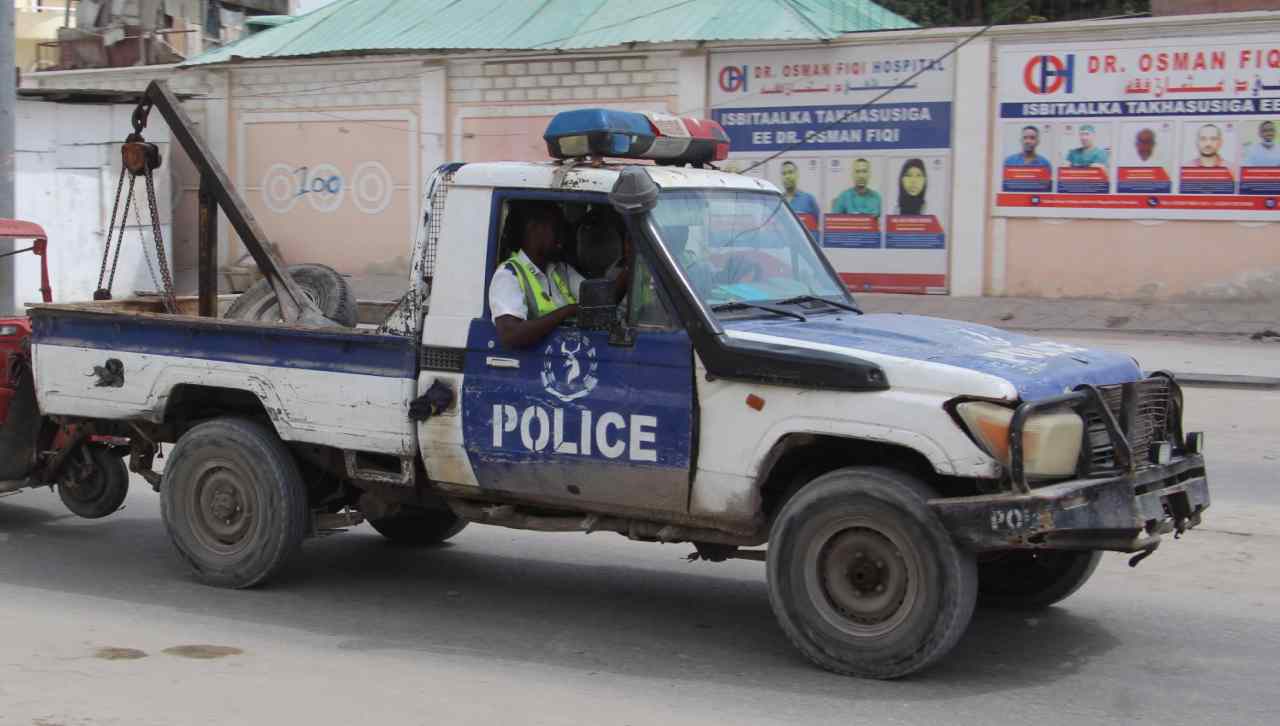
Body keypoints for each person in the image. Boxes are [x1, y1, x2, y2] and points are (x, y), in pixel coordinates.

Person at [488, 205, 598, 349]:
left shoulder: (561, 270)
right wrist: (567, 311)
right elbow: (510, 335)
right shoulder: (509, 275)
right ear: (534, 230)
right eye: (556, 229)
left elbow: (597, 300)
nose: (562, 238)